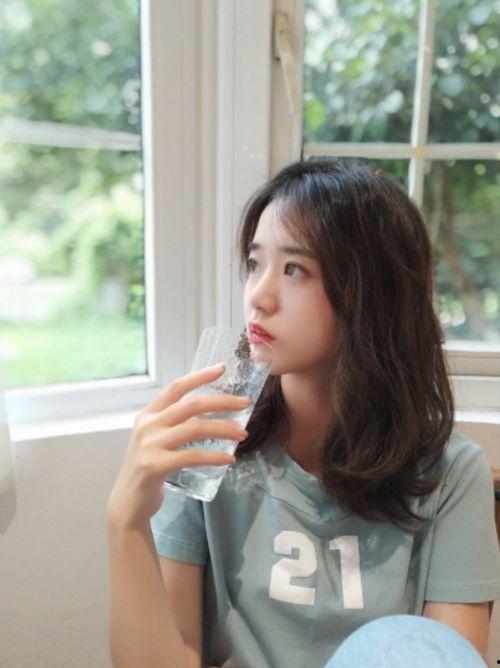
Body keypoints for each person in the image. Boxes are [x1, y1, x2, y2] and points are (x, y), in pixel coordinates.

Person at [106, 159, 500, 668]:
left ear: (371, 293)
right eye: (255, 264)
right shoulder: (206, 448)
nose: (258, 296)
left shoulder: (449, 473)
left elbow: (444, 658)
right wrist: (126, 520)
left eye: (295, 269)